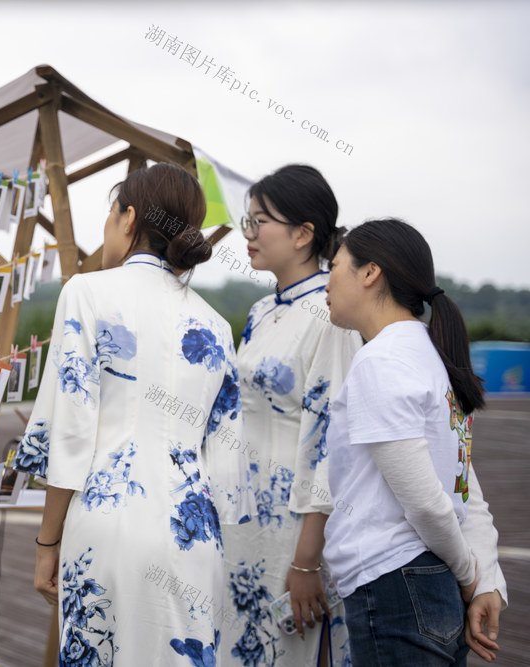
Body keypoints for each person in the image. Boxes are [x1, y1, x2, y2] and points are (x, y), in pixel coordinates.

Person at [14, 162, 255, 665]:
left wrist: (46, 542)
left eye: (110, 213)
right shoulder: (216, 326)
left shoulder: (87, 292)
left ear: (128, 218)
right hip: (194, 537)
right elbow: (229, 465)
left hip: (110, 525)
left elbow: (71, 433)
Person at [322, 218, 507, 664]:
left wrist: (470, 575)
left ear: (370, 273)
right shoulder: (430, 356)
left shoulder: (381, 360)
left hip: (396, 582)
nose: (326, 280)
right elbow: (466, 485)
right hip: (425, 578)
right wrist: (486, 579)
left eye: (335, 264)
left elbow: (426, 501)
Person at [220, 164, 362, 666]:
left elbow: (331, 441)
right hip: (246, 519)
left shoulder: (333, 314)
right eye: (247, 221)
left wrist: (306, 562)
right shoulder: (262, 311)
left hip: (299, 528)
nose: (249, 234)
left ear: (304, 234)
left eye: (261, 222)